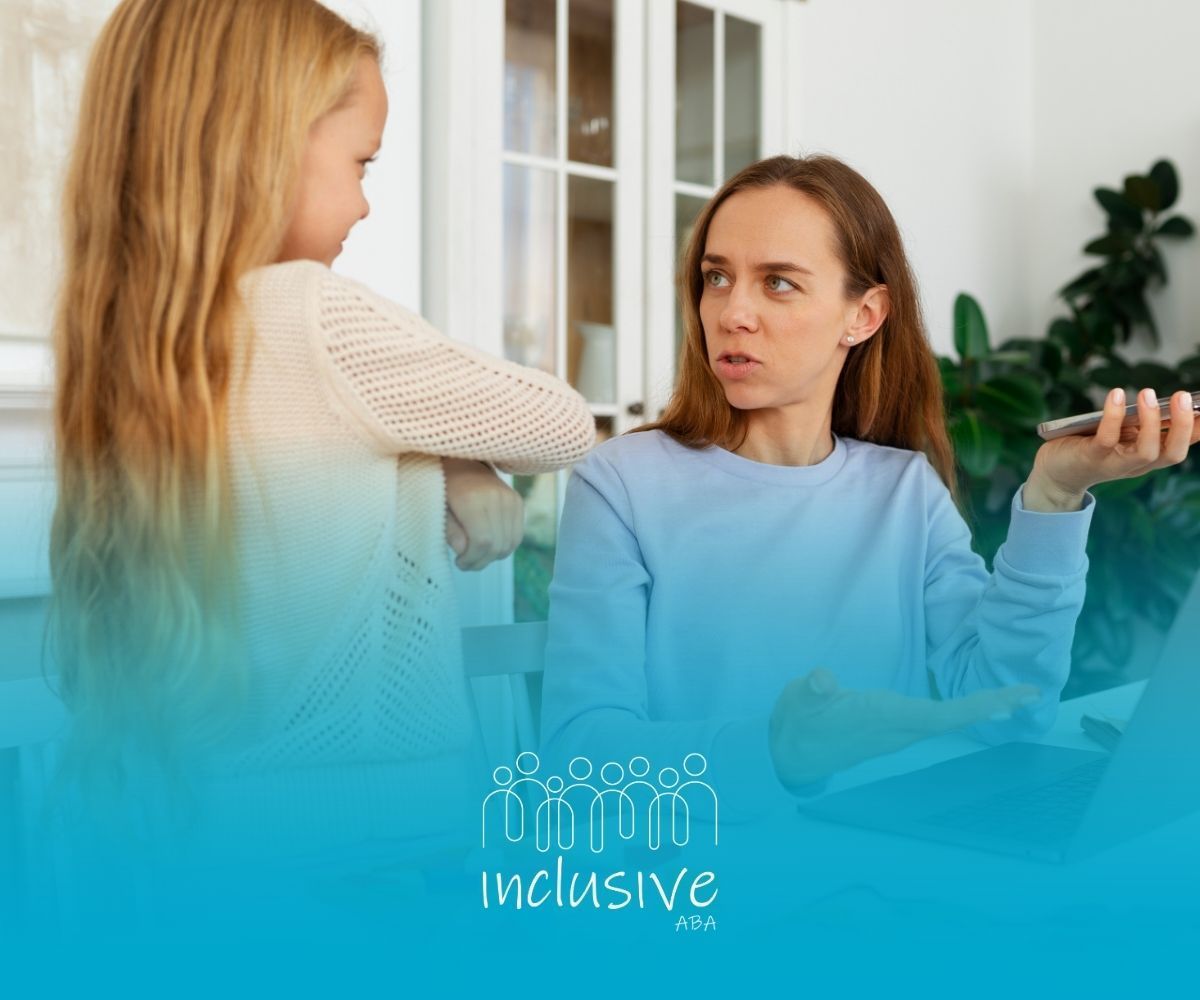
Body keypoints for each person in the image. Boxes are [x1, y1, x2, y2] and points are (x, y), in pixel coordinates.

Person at [47, 0, 595, 856]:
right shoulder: (315, 317)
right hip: (371, 836)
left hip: (187, 837)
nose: (367, 205)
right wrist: (455, 452)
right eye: (361, 163)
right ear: (260, 148)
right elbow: (560, 423)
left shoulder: (130, 348)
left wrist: (442, 455)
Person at [539, 154, 1199, 818]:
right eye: (717, 277)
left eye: (778, 283)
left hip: (891, 863)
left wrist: (1053, 500)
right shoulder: (623, 484)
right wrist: (775, 750)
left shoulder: (905, 492)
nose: (732, 312)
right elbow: (579, 755)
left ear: (864, 314)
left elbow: (1007, 709)